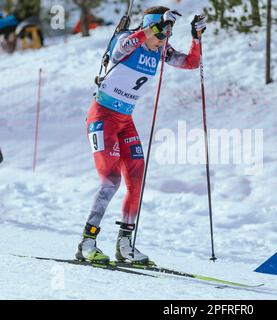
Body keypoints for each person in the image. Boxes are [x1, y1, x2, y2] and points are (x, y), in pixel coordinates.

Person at [76, 6, 207, 264]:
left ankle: (125, 244)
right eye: (161, 32)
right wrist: (156, 26)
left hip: (125, 120)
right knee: (110, 180)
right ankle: (87, 242)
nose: (163, 38)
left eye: (168, 33)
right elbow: (129, 43)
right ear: (150, 27)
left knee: (136, 178)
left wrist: (196, 37)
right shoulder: (128, 42)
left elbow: (191, 63)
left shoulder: (160, 51)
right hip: (103, 117)